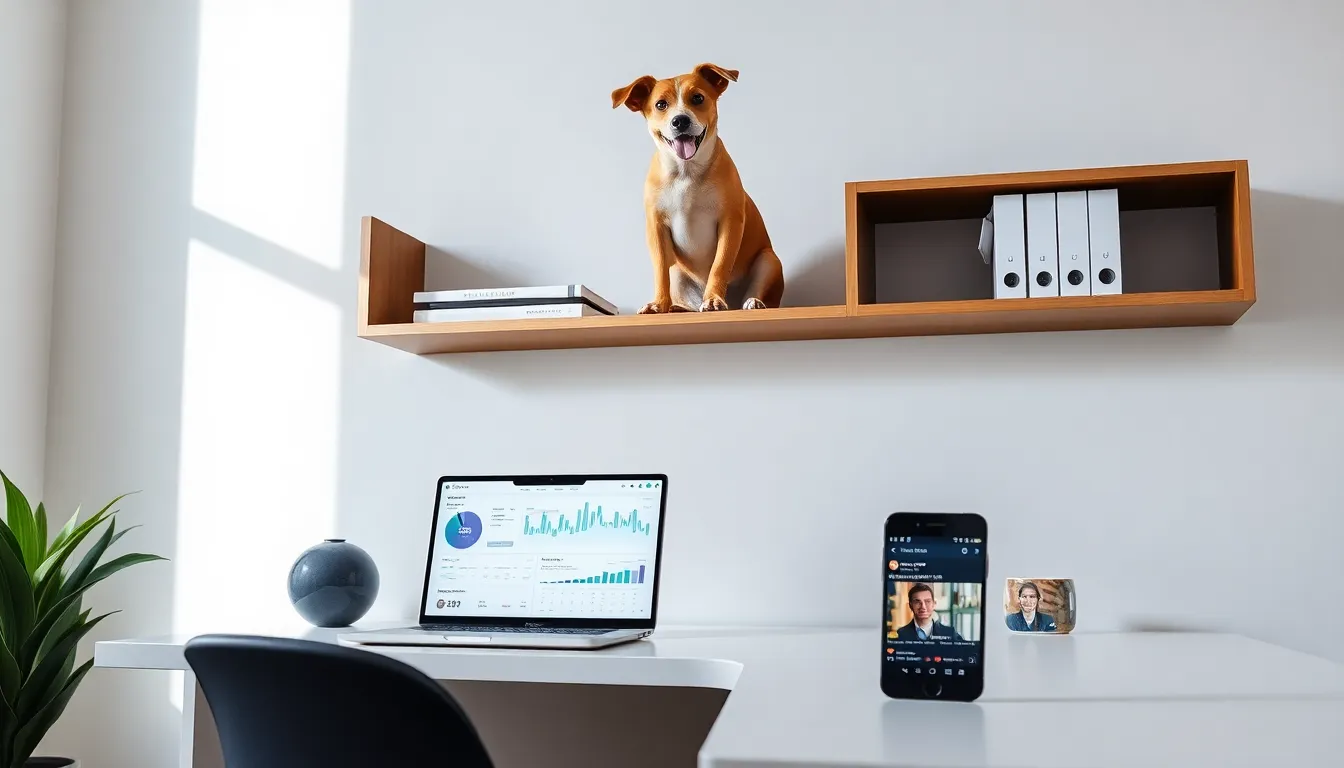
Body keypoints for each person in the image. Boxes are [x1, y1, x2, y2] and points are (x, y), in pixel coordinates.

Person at [894, 583, 965, 641]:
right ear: (910, 605)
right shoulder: (901, 634)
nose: (923, 607)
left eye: (927, 601)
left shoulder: (950, 633)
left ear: (934, 604)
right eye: (917, 602)